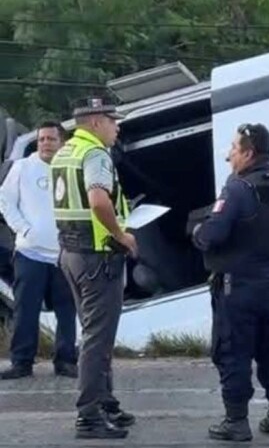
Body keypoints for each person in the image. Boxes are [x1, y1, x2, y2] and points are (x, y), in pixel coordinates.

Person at [190, 123, 269, 442]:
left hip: (240, 286)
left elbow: (213, 234)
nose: (229, 154)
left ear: (248, 152)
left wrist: (197, 232)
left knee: (233, 350)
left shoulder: (238, 189)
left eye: (233, 148)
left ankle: (236, 420)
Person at [51, 97, 138, 439]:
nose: (117, 128)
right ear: (97, 122)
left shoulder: (64, 152)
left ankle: (105, 401)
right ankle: (89, 415)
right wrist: (122, 235)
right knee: (98, 339)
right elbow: (99, 199)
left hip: (71, 253)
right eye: (113, 121)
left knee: (93, 332)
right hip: (98, 255)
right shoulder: (95, 154)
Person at [0, 121, 78, 380]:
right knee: (26, 309)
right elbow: (5, 201)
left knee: (67, 309)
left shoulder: (70, 168)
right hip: (29, 253)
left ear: (62, 142)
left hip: (63, 254)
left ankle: (66, 360)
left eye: (51, 139)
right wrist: (23, 229)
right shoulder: (22, 168)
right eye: (42, 139)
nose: (45, 143)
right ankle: (22, 362)